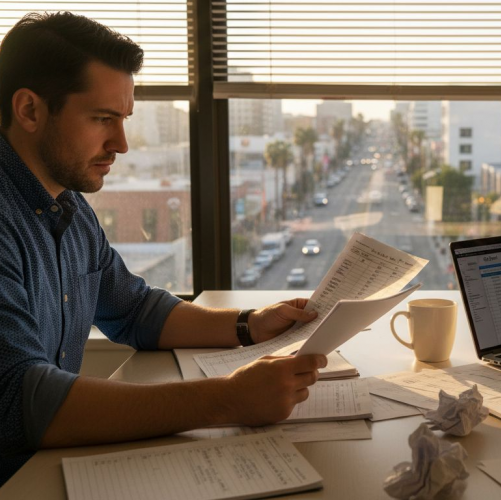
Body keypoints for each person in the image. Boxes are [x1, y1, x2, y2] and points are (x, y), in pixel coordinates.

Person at [0, 12, 327, 485]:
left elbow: (133, 310)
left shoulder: (66, 205)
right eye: (102, 119)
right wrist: (226, 400)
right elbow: (19, 400)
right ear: (29, 110)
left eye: (125, 119)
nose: (123, 144)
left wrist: (250, 325)